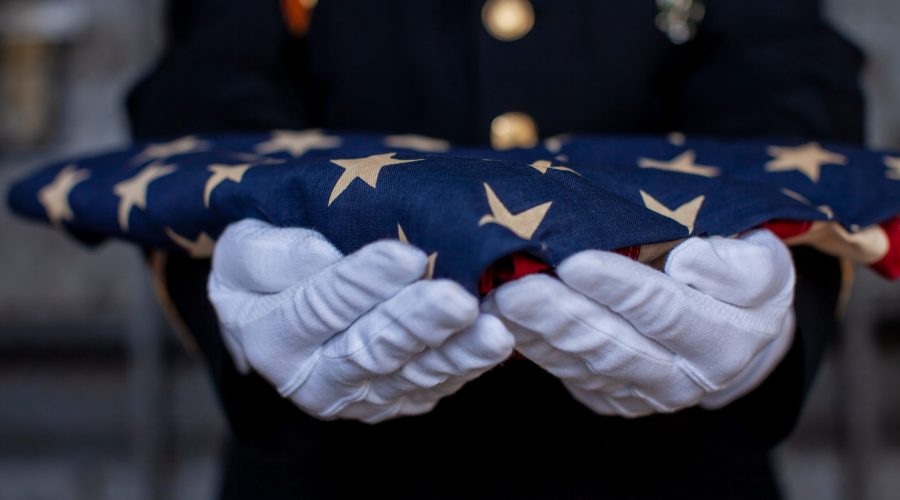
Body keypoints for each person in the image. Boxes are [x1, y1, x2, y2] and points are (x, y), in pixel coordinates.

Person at [127, 0, 864, 498]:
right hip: (331, 460)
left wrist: (771, 290)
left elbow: (785, 71)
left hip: (673, 460)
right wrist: (247, 259)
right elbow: (210, 75)